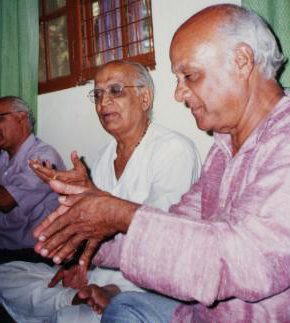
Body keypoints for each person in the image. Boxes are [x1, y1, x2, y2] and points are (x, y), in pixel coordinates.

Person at [32, 4, 290, 322]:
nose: (178, 93)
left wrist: (116, 213)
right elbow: (176, 227)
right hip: (203, 315)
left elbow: (247, 263)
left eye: (189, 75)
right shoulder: (223, 149)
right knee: (124, 309)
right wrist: (89, 232)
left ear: (242, 61)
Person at [0, 61, 201, 322]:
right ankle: (74, 299)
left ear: (145, 98)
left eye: (115, 90)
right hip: (97, 275)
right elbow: (90, 232)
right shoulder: (104, 156)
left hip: (143, 288)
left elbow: (161, 241)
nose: (103, 102)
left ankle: (81, 304)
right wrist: (78, 266)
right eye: (97, 94)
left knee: (78, 317)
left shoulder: (174, 150)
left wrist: (114, 290)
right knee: (9, 274)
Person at [0, 96, 65, 263]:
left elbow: (5, 201)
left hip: (33, 253)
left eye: (0, 118)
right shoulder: (3, 157)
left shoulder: (43, 157)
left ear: (21, 118)